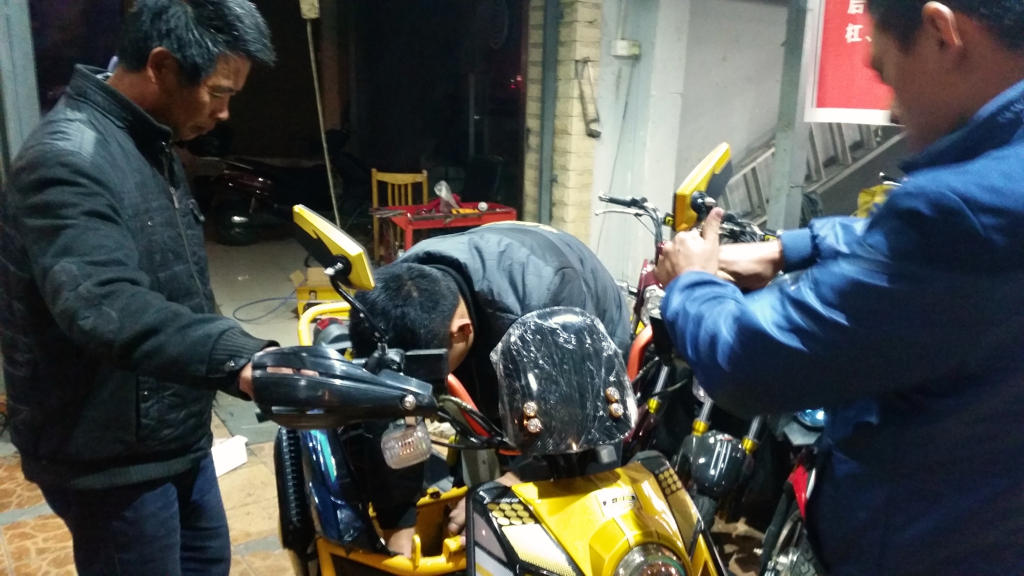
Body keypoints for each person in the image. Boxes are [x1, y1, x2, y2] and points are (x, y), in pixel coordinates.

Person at [654, 1, 1024, 573]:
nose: (892, 109)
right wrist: (790, 248)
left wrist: (693, 283)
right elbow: (941, 252)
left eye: (887, 72)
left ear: (941, 33)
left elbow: (751, 362)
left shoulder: (955, 208)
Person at [0, 1, 276, 574]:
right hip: (109, 455)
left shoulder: (149, 140)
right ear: (163, 66)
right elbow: (105, 304)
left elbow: (175, 281)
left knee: (208, 564)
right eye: (218, 92)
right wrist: (238, 358)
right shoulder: (66, 160)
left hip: (173, 431)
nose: (224, 112)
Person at [348, 222, 630, 556]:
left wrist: (514, 485)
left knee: (577, 475)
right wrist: (399, 531)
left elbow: (575, 429)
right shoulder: (403, 288)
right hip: (495, 302)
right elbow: (396, 412)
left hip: (576, 327)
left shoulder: (549, 302)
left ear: (461, 332)